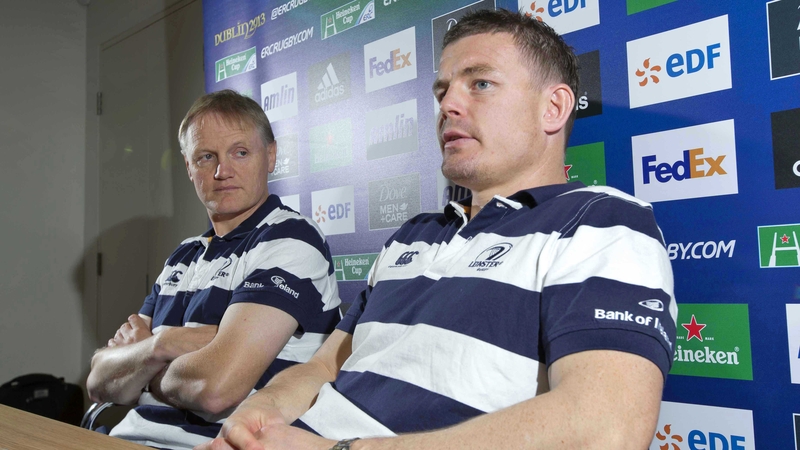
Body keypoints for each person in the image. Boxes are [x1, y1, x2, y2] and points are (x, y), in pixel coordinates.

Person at [201, 9, 677, 450]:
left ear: (553, 108)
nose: (449, 104)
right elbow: (325, 365)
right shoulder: (412, 235)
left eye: (481, 84)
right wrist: (261, 410)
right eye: (442, 90)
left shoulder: (601, 222)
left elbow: (605, 427)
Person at [85, 90, 342, 449]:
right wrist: (171, 344)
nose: (223, 172)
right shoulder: (182, 256)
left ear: (270, 156)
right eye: (206, 157)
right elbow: (99, 381)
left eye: (240, 152)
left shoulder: (291, 238)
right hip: (125, 437)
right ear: (190, 168)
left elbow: (215, 389)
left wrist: (147, 360)